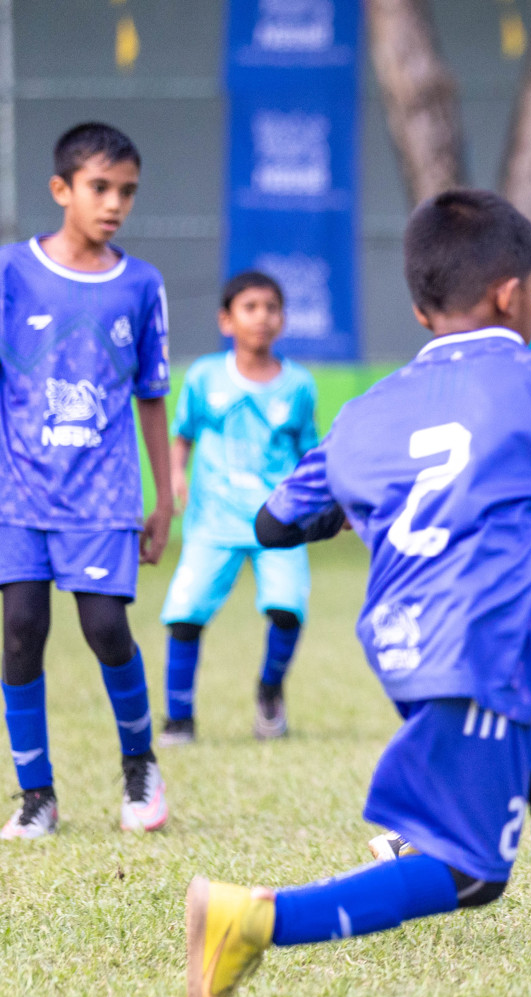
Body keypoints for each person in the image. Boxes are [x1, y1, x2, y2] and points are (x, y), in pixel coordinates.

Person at [184, 189, 531, 997]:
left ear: (423, 310)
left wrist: (365, 503)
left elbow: (274, 522)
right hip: (476, 649)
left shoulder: (369, 410)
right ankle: (252, 919)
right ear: (510, 294)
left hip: (398, 638)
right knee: (472, 874)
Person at [0, 122, 172, 839]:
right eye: (100, 188)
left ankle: (140, 766)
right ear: (61, 189)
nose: (115, 204)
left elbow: (152, 395)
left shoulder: (140, 285)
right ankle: (36, 793)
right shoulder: (13, 272)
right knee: (19, 631)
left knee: (105, 627)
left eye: (126, 191)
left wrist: (168, 498)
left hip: (103, 493)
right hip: (19, 492)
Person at [159, 271, 318, 744]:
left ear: (283, 320)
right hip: (214, 522)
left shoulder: (299, 385)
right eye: (250, 307)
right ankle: (179, 719)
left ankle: (269, 691)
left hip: (280, 522)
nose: (262, 317)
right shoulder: (205, 376)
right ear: (226, 320)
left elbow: (309, 453)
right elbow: (182, 434)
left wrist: (319, 502)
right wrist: (175, 475)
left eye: (272, 308)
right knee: (185, 614)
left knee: (288, 609)